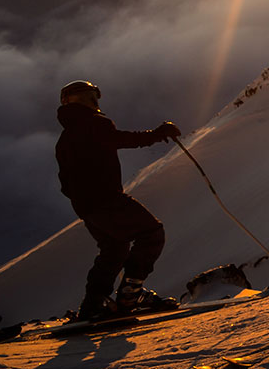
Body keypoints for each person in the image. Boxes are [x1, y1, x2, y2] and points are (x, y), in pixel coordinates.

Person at [55, 80, 181, 320]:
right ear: (91, 98)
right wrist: (158, 134)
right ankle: (130, 295)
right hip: (107, 200)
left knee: (114, 249)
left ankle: (93, 304)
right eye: (93, 96)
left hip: (87, 207)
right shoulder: (94, 123)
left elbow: (65, 182)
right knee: (151, 233)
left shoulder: (65, 137)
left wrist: (84, 201)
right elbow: (122, 140)